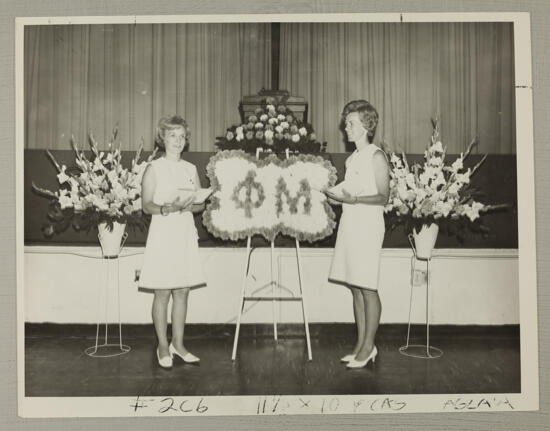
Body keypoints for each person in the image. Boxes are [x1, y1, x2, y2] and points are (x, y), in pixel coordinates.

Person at [325, 100, 390, 369]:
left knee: (367, 286)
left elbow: (383, 197)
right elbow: (349, 192)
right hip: (350, 223)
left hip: (368, 225)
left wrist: (353, 201)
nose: (345, 128)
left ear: (365, 126)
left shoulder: (376, 156)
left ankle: (369, 346)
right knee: (355, 286)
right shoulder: (353, 158)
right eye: (346, 123)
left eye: (350, 124)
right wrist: (335, 197)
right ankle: (362, 344)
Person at [138, 115, 206, 369]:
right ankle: (163, 346)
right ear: (163, 138)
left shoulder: (191, 169)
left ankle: (178, 344)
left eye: (181, 136)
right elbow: (146, 206)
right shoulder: (154, 168)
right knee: (163, 291)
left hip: (185, 231)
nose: (178, 141)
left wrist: (195, 202)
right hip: (164, 232)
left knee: (183, 290)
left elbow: (198, 205)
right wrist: (167, 208)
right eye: (172, 136)